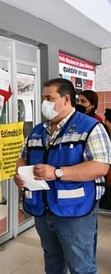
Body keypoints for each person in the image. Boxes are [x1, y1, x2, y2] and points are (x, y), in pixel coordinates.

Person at [14, 78, 111, 274]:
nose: (44, 103)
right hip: (43, 210)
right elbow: (22, 158)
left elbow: (100, 167)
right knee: (52, 261)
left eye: (49, 98)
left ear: (66, 99)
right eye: (43, 98)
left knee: (81, 266)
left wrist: (57, 173)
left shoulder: (90, 127)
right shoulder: (37, 131)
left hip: (75, 212)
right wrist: (21, 175)